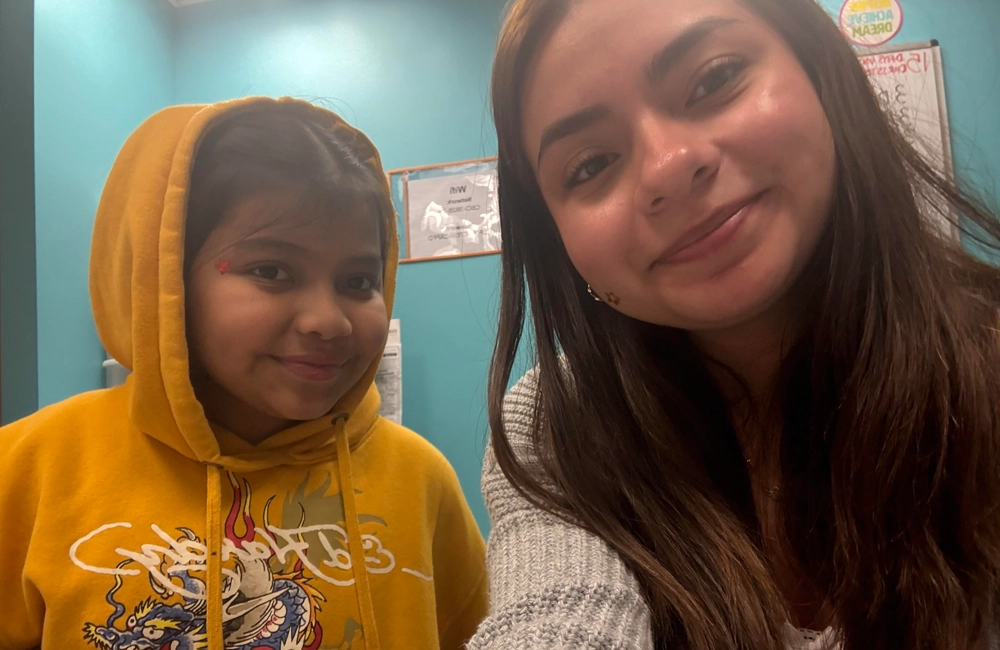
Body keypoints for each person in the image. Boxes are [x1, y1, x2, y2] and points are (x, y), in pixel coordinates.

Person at [469, 1, 1000, 649]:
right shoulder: (552, 426)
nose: (667, 167)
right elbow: (556, 617)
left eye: (713, 79)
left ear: (819, 70)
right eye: (590, 165)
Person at [0, 97, 488, 650]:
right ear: (167, 281)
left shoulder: (422, 482)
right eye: (272, 271)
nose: (328, 321)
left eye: (358, 281)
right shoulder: (27, 470)